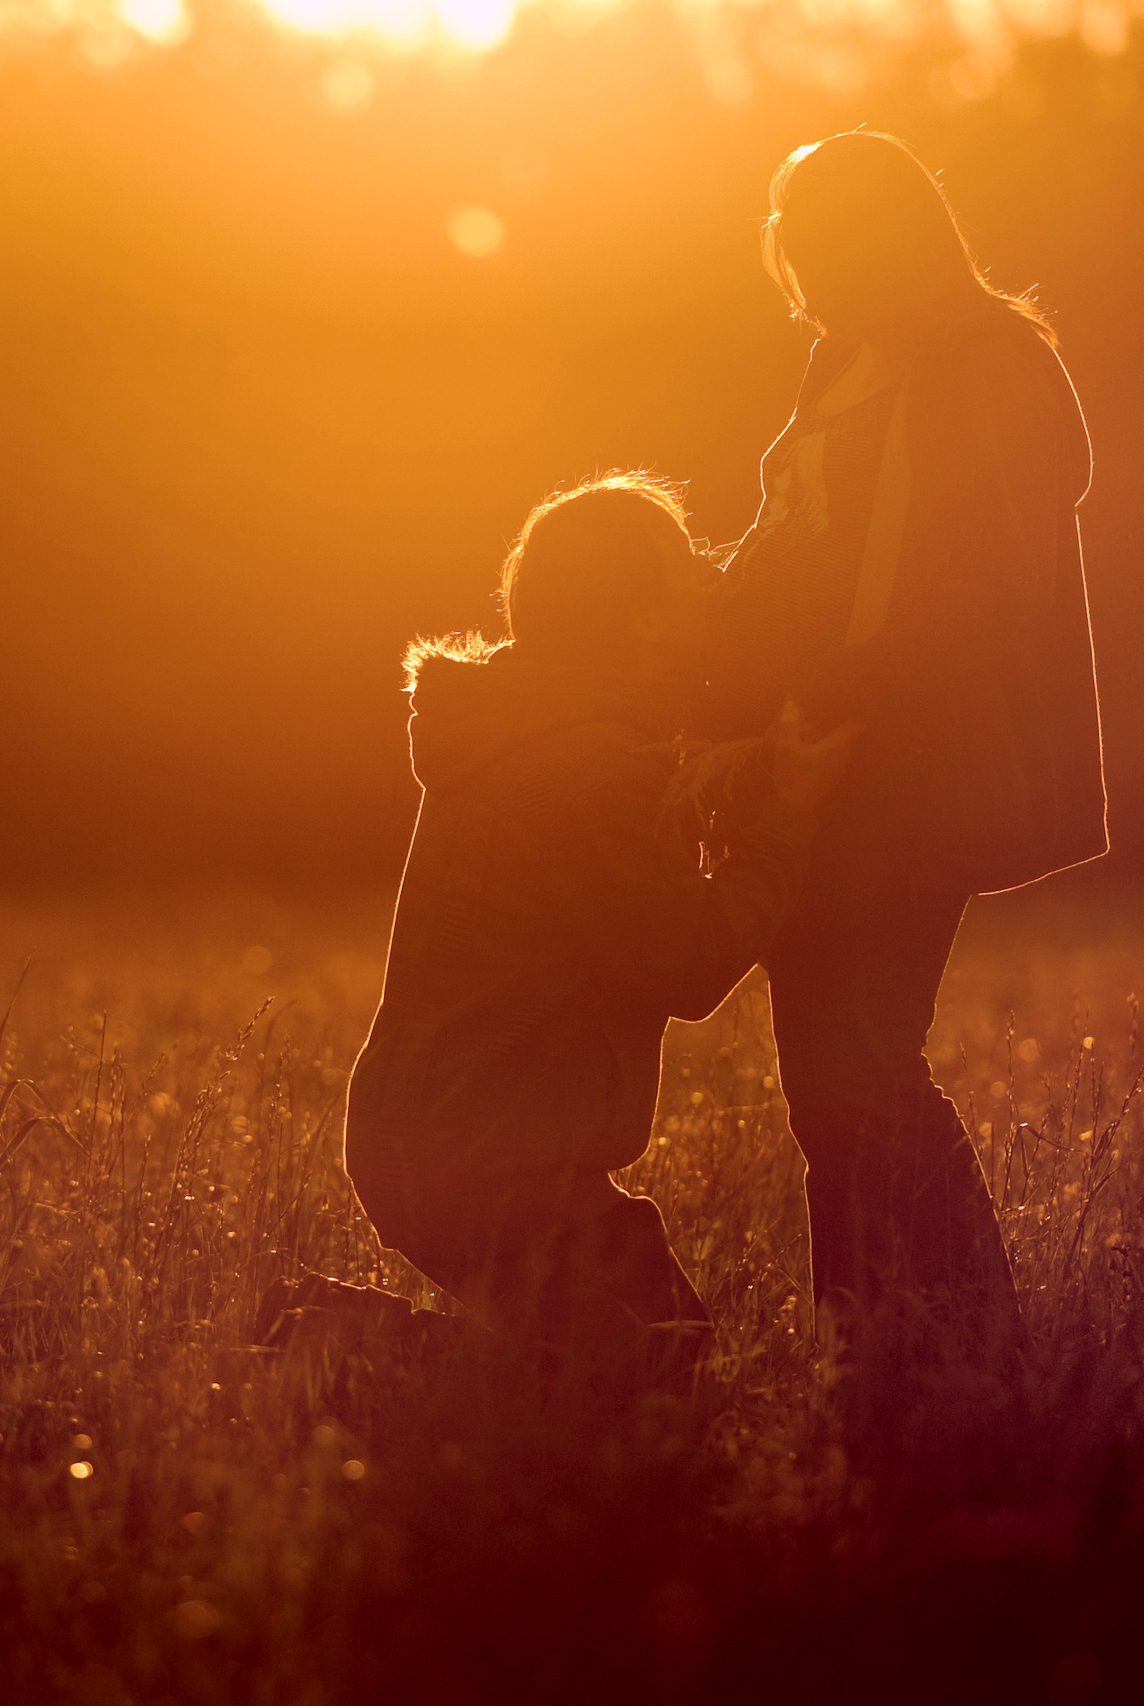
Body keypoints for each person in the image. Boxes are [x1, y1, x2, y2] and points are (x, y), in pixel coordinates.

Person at [704, 131, 1107, 1326]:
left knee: (861, 1064)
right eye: (792, 241)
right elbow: (791, 539)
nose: (805, 266)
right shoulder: (838, 360)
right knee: (826, 1082)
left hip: (912, 759)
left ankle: (959, 1335)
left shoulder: (994, 363)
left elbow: (995, 583)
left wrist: (842, 683)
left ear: (893, 237)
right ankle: (872, 1342)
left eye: (828, 240)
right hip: (810, 758)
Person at [336, 473, 851, 1392]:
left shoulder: (538, 727)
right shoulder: (584, 769)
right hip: (481, 1158)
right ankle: (320, 1348)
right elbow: (688, 966)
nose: (711, 583)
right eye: (687, 573)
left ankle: (340, 1349)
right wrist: (790, 812)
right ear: (642, 622)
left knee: (664, 1346)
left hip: (453, 1137)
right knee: (631, 1371)